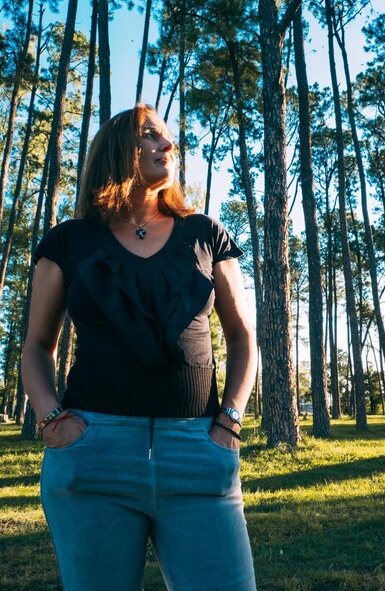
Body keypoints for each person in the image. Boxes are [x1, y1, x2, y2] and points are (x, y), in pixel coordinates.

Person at [22, 103, 258, 591]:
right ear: (116, 149)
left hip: (197, 452)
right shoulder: (69, 242)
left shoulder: (205, 234)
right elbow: (37, 346)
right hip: (93, 457)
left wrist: (229, 421)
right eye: (150, 135)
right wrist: (52, 422)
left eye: (167, 137)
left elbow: (242, 337)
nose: (167, 145)